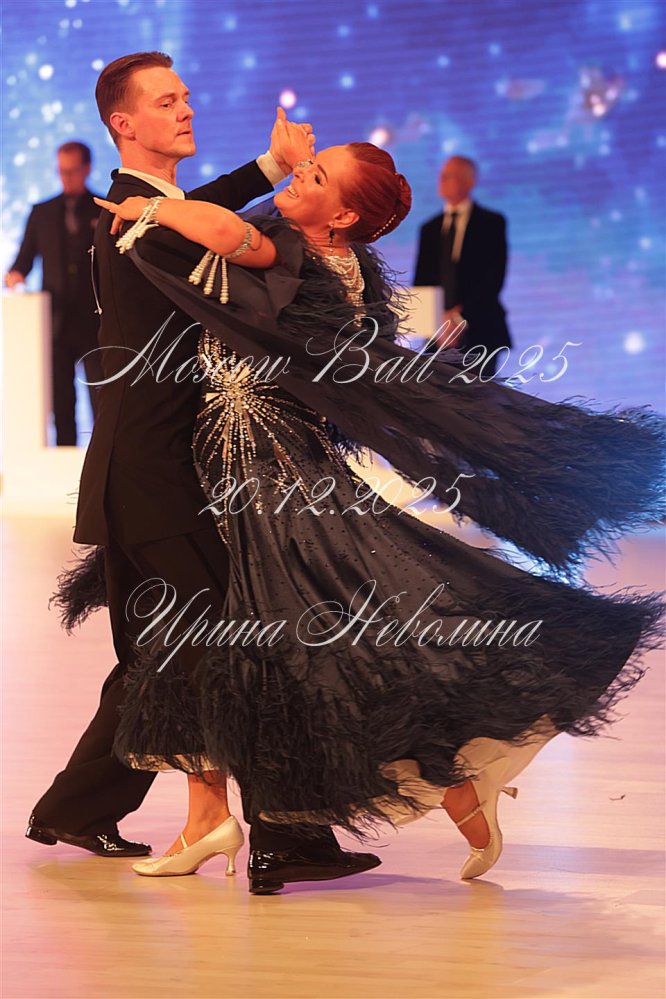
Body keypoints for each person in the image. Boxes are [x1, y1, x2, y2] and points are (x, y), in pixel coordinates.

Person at [78, 140, 664, 894]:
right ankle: (412, 792)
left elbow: (222, 230)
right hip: (241, 466)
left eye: (317, 176)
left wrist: (151, 208)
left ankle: (382, 794)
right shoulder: (333, 257)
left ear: (343, 216)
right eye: (305, 168)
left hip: (264, 472)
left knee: (295, 637)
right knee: (291, 635)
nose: (301, 176)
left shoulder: (292, 250)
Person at [29, 51, 379, 892]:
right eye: (166, 101)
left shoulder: (148, 208)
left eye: (186, 95)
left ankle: (78, 808)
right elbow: (234, 244)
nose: (185, 108)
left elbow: (200, 209)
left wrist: (267, 166)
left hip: (144, 475)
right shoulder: (138, 219)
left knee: (158, 657)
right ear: (124, 123)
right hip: (153, 479)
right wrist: (306, 230)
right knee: (236, 651)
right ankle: (286, 834)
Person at [5, 142, 103, 445]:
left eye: (72, 171)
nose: (67, 177)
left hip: (95, 322)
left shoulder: (103, 209)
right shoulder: (42, 213)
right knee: (61, 402)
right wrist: (14, 276)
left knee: (101, 398)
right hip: (56, 323)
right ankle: (64, 462)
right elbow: (23, 260)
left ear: (86, 169)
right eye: (62, 171)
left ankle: (103, 461)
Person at [413, 156, 511, 375]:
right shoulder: (429, 228)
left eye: (450, 176)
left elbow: (493, 278)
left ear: (469, 182)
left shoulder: (492, 223)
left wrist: (458, 318)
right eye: (441, 175)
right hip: (437, 336)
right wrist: (439, 322)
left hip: (480, 332)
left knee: (479, 393)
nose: (442, 180)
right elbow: (422, 281)